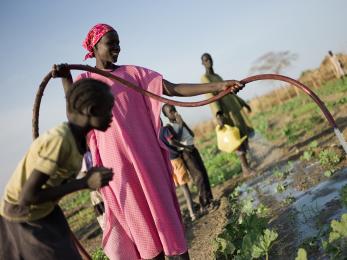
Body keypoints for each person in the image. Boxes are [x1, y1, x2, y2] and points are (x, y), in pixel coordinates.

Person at [53, 23, 244, 260]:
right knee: (143, 232)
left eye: (119, 43)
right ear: (95, 46)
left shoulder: (134, 74)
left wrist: (219, 86)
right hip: (118, 168)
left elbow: (172, 89)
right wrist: (66, 79)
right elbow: (75, 115)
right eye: (111, 43)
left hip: (148, 159)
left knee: (168, 223)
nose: (117, 48)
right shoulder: (85, 79)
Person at [0, 78, 115, 260]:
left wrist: (65, 77)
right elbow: (27, 197)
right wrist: (84, 183)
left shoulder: (77, 137)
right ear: (91, 110)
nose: (112, 115)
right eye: (109, 109)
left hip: (46, 210)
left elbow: (73, 101)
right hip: (24, 216)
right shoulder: (60, 140)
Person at [200, 53, 255, 176]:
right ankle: (245, 169)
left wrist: (243, 103)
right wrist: (218, 113)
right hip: (226, 113)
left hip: (234, 108)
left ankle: (248, 164)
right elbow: (211, 96)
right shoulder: (205, 78)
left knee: (243, 135)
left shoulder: (217, 76)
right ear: (202, 63)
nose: (208, 61)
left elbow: (230, 92)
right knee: (236, 139)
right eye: (205, 60)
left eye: (209, 59)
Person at [162, 104, 215, 213]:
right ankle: (204, 204)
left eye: (174, 109)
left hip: (192, 148)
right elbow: (178, 139)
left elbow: (191, 134)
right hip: (186, 152)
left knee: (203, 173)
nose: (174, 112)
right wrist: (180, 124)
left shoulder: (179, 122)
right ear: (166, 115)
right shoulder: (169, 126)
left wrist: (183, 123)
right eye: (171, 111)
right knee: (198, 175)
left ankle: (210, 199)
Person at [159, 122, 197, 221]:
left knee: (175, 190)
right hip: (176, 160)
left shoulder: (155, 133)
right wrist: (185, 146)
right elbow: (172, 142)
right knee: (185, 188)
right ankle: (192, 213)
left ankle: (178, 218)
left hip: (167, 163)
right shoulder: (164, 130)